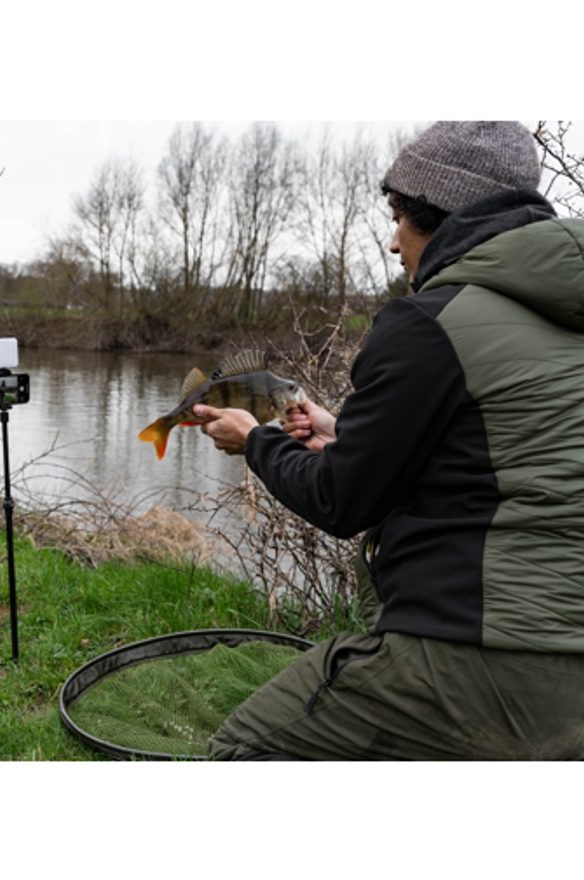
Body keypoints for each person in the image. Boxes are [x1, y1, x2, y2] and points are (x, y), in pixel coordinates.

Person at [195, 121, 584, 760]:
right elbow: (502, 456)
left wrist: (255, 442)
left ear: (437, 216)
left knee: (243, 749)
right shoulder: (562, 315)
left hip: (485, 656)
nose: (393, 240)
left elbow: (343, 502)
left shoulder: (429, 323)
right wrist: (347, 433)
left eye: (398, 216)